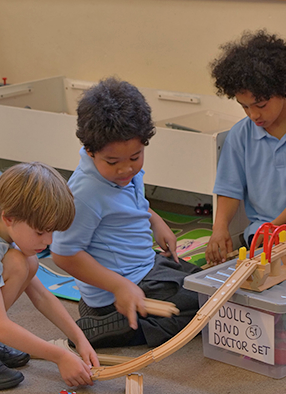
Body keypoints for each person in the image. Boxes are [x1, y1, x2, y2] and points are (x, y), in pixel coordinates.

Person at [51, 77, 201, 350]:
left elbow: (128, 203)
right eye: (113, 162)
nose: (126, 170)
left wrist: (156, 221)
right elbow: (63, 253)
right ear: (89, 150)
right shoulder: (85, 193)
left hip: (143, 265)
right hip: (120, 288)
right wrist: (119, 287)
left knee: (207, 285)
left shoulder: (122, 172)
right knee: (202, 305)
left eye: (135, 157)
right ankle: (108, 325)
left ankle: (121, 315)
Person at [0, 162, 99, 390]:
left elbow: (41, 295)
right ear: (9, 218)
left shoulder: (8, 224)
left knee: (27, 261)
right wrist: (60, 356)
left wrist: (79, 338)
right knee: (17, 262)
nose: (49, 241)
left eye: (52, 231)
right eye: (40, 232)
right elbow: (1, 326)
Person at [205, 29, 286, 265]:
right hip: (261, 236)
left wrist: (275, 226)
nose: (253, 114)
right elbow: (229, 188)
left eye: (260, 104)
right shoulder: (242, 134)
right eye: (244, 106)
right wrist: (219, 228)